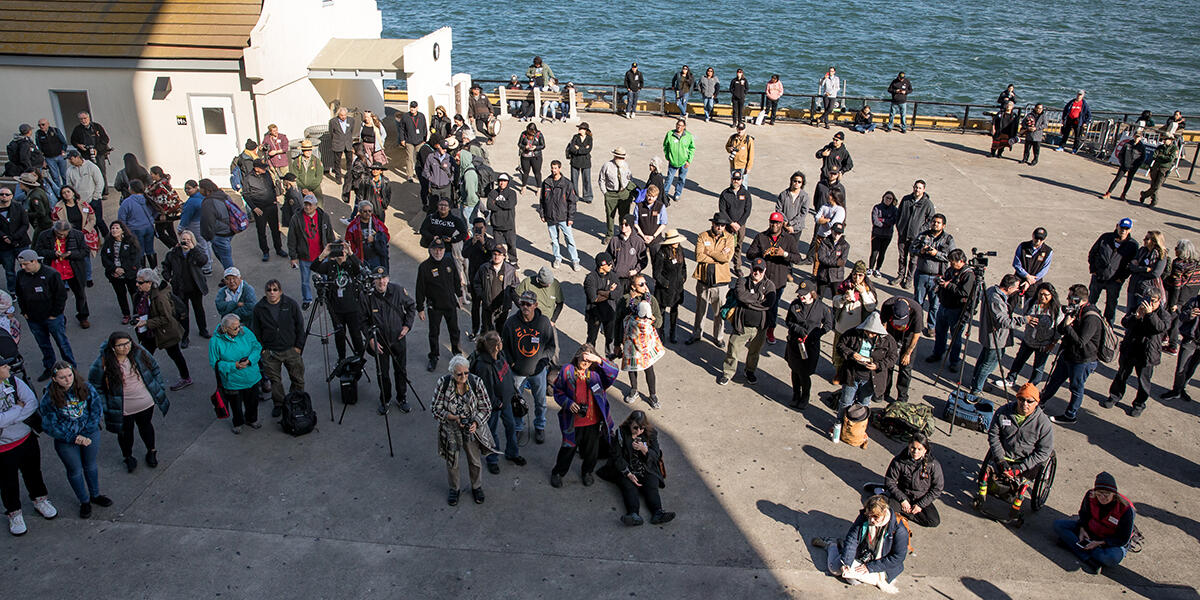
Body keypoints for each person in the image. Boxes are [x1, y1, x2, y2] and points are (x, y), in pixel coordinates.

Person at [38, 361, 111, 519]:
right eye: (62, 377)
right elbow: (49, 424)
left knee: (90, 465)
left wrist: (87, 432)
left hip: (89, 433)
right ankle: (84, 501)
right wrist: (73, 437)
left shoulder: (86, 387)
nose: (67, 379)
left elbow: (96, 409)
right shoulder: (49, 396)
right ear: (54, 379)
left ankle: (95, 495)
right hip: (66, 440)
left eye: (69, 375)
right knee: (75, 470)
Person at [88, 332, 168, 474]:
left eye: (128, 343)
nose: (125, 347)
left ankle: (151, 450)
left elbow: (155, 368)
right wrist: (105, 405)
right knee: (125, 433)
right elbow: (95, 386)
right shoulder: (102, 362)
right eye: (121, 345)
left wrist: (159, 387)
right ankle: (128, 456)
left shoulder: (139, 352)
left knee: (146, 427)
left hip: (145, 402)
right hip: (122, 407)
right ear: (112, 347)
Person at [976, 383, 1053, 520]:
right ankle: (981, 498)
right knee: (987, 474)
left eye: (1030, 401)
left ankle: (1015, 509)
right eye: (1021, 399)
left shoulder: (1043, 423)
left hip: (1026, 461)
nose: (1025, 404)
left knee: (1022, 485)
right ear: (1017, 398)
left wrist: (1021, 468)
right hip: (1004, 456)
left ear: (1037, 402)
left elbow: (1044, 451)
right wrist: (1000, 459)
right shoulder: (1003, 412)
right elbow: (993, 436)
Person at [0, 356, 57, 534]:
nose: (8, 367)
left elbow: (31, 403)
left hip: (26, 438)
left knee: (33, 472)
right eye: (3, 365)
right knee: (8, 482)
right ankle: (14, 513)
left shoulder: (13, 381)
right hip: (4, 449)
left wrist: (8, 419)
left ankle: (40, 500)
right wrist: (17, 409)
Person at [550, 344, 618, 488]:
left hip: (593, 422)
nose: (586, 363)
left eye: (589, 361)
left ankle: (587, 472)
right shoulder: (567, 371)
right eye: (583, 360)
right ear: (577, 357)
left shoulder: (597, 373)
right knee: (568, 449)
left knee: (591, 452)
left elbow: (614, 372)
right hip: (572, 422)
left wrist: (599, 361)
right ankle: (558, 473)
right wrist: (568, 403)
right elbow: (558, 391)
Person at [810, 495, 908, 594]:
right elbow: (852, 539)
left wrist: (870, 567)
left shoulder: (899, 531)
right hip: (862, 553)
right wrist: (846, 562)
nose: (872, 520)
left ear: (884, 512)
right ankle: (832, 545)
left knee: (852, 580)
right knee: (835, 569)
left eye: (875, 517)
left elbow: (897, 557)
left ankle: (839, 547)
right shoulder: (864, 517)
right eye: (869, 516)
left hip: (882, 564)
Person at [432, 355, 496, 506]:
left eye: (466, 373)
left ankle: (476, 486)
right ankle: (454, 488)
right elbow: (434, 408)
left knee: (474, 461)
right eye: (459, 374)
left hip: (470, 429)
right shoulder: (443, 383)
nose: (463, 377)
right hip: (450, 429)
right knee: (452, 461)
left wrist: (476, 422)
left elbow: (486, 407)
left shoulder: (476, 382)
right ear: (452, 373)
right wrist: (451, 417)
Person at [1042, 285, 1104, 425]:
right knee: (1055, 380)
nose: (1067, 300)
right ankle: (1041, 402)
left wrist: (1069, 326)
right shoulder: (1075, 311)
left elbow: (1081, 341)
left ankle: (1071, 415)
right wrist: (1066, 321)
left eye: (1070, 297)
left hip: (1082, 360)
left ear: (1078, 299)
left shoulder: (1091, 317)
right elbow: (1060, 329)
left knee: (1076, 387)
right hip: (1068, 354)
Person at [1053, 472, 1136, 575]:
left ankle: (1074, 545)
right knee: (1058, 525)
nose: (1102, 497)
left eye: (1107, 494)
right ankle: (1087, 557)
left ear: (1114, 494)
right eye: (1099, 493)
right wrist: (1082, 529)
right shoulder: (1090, 496)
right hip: (1091, 531)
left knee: (1111, 558)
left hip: (1111, 541)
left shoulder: (1126, 509)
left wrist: (1100, 542)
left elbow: (1122, 539)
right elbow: (1083, 514)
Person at [833, 312, 898, 441]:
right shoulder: (853, 333)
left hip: (870, 379)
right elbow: (840, 346)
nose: (870, 335)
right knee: (846, 402)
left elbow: (892, 358)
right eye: (868, 332)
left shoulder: (888, 340)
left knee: (864, 404)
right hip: (852, 374)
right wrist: (852, 354)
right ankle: (840, 424)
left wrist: (878, 366)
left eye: (873, 333)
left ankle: (858, 428)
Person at [502, 290, 556, 443]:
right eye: (522, 303)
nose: (525, 306)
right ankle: (518, 428)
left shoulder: (544, 322)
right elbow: (504, 347)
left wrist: (543, 363)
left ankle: (540, 426)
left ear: (535, 305)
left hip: (538, 373)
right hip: (517, 373)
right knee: (516, 403)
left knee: (540, 402)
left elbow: (551, 346)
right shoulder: (511, 323)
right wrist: (512, 363)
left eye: (528, 304)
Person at [1107, 286, 1169, 417]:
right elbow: (1125, 322)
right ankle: (1114, 396)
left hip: (1147, 352)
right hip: (1131, 348)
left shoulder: (1163, 315)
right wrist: (1136, 317)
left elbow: (1159, 328)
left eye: (1153, 300)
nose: (1149, 303)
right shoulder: (1137, 307)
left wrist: (1150, 314)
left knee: (1143, 381)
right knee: (1122, 374)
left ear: (1159, 301)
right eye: (1147, 299)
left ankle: (1139, 404)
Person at [605, 410, 674, 526]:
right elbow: (617, 456)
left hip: (646, 467)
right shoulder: (621, 433)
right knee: (628, 487)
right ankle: (633, 514)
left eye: (641, 428)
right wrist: (628, 473)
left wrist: (644, 450)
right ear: (630, 423)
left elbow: (656, 454)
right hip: (628, 468)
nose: (638, 431)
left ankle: (658, 512)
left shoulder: (651, 433)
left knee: (652, 485)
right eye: (635, 428)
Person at [15, 249, 75, 381]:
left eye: (25, 264)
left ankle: (71, 368)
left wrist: (55, 314)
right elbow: (20, 295)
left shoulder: (51, 274)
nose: (22, 267)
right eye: (21, 264)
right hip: (33, 319)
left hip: (52, 318)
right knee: (44, 345)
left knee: (62, 343)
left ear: (34, 261)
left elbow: (61, 296)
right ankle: (50, 368)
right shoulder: (20, 275)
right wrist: (24, 312)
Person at [470, 331, 524, 474]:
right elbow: (486, 390)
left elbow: (507, 375)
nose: (502, 342)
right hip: (494, 407)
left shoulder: (500, 356)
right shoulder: (484, 366)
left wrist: (513, 390)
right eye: (499, 341)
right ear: (495, 347)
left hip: (506, 402)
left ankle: (512, 453)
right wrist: (497, 403)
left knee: (511, 426)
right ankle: (492, 460)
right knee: (492, 432)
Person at [252, 279, 305, 419]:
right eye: (269, 290)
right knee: (275, 381)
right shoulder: (259, 308)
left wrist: (298, 347)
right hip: (271, 352)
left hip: (291, 349)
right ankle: (279, 404)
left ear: (280, 291)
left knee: (298, 379)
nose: (272, 293)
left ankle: (296, 400)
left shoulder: (291, 304)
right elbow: (256, 331)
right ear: (265, 292)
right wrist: (262, 350)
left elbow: (300, 326)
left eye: (275, 290)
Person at [719, 259, 776, 386]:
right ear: (750, 268)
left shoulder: (770, 285)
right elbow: (741, 296)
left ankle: (750, 371)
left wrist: (750, 302)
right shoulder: (742, 281)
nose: (757, 272)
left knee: (754, 352)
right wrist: (759, 298)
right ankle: (728, 373)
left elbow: (769, 304)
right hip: (742, 325)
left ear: (764, 270)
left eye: (760, 270)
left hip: (760, 328)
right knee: (733, 349)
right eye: (755, 269)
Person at [131, 269, 191, 390]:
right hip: (151, 332)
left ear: (150, 283)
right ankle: (143, 379)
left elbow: (166, 318)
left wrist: (147, 322)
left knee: (175, 354)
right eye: (137, 282)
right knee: (144, 355)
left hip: (165, 332)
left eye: (140, 282)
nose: (137, 284)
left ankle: (186, 378)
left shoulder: (160, 298)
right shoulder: (143, 294)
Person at [747, 212, 801, 344]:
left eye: (777, 223)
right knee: (756, 302)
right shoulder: (761, 237)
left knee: (773, 306)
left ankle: (770, 329)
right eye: (772, 222)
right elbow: (749, 254)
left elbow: (798, 258)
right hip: (761, 279)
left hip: (778, 280)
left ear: (782, 224)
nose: (774, 225)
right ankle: (755, 328)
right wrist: (761, 254)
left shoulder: (788, 239)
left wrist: (784, 254)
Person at [870, 434, 945, 528]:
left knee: (933, 521)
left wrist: (920, 505)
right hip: (902, 494)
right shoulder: (899, 460)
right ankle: (883, 493)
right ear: (909, 446)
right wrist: (903, 500)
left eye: (919, 449)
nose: (915, 452)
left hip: (921, 497)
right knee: (884, 512)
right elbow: (890, 481)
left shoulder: (933, 465)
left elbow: (937, 488)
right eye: (913, 448)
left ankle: (903, 511)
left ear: (925, 450)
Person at [968, 274, 1026, 396]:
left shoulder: (991, 291)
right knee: (989, 364)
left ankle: (977, 383)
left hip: (991, 335)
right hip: (996, 338)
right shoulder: (996, 300)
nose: (1017, 290)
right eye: (1016, 288)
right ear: (1009, 288)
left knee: (983, 360)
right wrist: (1024, 320)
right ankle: (976, 389)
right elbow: (1004, 321)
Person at [207, 314, 262, 433]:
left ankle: (252, 419)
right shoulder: (215, 341)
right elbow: (215, 363)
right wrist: (234, 365)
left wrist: (249, 360)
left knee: (252, 401)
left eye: (239, 326)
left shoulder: (245, 332)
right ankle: (238, 422)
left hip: (251, 376)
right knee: (235, 404)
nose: (239, 329)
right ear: (226, 329)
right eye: (235, 328)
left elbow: (257, 347)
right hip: (232, 381)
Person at [310, 243, 365, 361]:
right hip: (336, 309)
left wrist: (350, 253)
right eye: (337, 249)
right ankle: (342, 358)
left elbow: (361, 269)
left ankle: (360, 358)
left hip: (352, 307)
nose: (340, 253)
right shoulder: (330, 265)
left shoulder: (351, 265)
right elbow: (314, 267)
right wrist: (324, 254)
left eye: (342, 249)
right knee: (339, 335)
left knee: (356, 334)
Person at [416, 239, 464, 373]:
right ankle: (434, 356)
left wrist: (459, 294)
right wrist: (420, 308)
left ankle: (457, 353)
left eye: (441, 249)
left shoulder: (449, 262)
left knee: (454, 330)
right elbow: (420, 289)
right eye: (435, 249)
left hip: (450, 303)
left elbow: (456, 279)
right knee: (434, 333)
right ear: (430, 250)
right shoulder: (424, 267)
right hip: (434, 306)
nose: (438, 252)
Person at [34, 220, 90, 329]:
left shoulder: (78, 235)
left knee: (81, 294)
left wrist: (71, 254)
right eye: (59, 234)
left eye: (64, 234)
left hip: (74, 270)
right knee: (57, 297)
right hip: (55, 271)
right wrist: (53, 254)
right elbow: (39, 250)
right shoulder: (44, 235)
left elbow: (85, 251)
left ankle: (83, 317)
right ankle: (60, 319)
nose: (61, 236)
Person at [785, 280, 832, 409]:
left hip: (811, 345)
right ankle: (796, 394)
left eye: (804, 295)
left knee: (804, 373)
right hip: (795, 343)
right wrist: (797, 329)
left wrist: (819, 333)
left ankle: (805, 397)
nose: (801, 297)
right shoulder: (795, 305)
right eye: (800, 295)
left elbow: (828, 324)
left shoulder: (821, 307)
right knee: (795, 370)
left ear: (812, 294)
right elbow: (788, 321)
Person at [1006, 282, 1063, 387]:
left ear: (1052, 295)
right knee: (1019, 360)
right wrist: (1027, 320)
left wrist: (1053, 344)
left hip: (1043, 344)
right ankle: (1010, 379)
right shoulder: (1031, 303)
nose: (1042, 297)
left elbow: (1059, 330)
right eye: (1040, 294)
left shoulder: (1056, 310)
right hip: (1028, 340)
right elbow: (1024, 315)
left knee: (1038, 368)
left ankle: (1031, 386)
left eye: (1046, 295)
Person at [926, 249, 974, 371]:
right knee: (940, 332)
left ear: (961, 261)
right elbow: (945, 278)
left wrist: (948, 285)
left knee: (955, 337)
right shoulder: (951, 270)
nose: (951, 265)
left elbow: (964, 292)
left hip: (957, 310)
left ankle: (954, 361)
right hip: (944, 306)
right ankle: (937, 353)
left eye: (953, 263)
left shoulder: (968, 275)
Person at [160, 230, 208, 348]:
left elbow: (203, 261)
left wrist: (193, 249)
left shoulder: (196, 251)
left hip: (195, 287)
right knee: (183, 313)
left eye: (188, 239)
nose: (185, 241)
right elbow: (165, 267)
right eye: (184, 239)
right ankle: (184, 336)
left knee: (199, 310)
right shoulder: (173, 253)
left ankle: (203, 329)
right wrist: (169, 278)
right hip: (180, 288)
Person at [1087, 218, 1139, 325]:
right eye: (1122, 227)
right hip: (1098, 277)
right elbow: (1093, 253)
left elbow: (1132, 265)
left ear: (1129, 230)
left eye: (1126, 229)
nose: (1123, 230)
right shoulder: (1105, 237)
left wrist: (1121, 278)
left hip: (1115, 281)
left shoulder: (1132, 245)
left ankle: (1108, 328)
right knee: (1090, 302)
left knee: (1111, 307)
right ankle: (1087, 322)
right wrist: (1093, 270)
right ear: (1117, 226)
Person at [286, 194, 334, 309]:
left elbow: (330, 235)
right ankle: (307, 299)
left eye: (310, 205)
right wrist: (293, 257)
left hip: (321, 256)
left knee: (326, 278)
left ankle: (328, 296)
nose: (307, 207)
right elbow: (291, 238)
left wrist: (332, 253)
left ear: (316, 206)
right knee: (305, 281)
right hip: (305, 257)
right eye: (306, 204)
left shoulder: (324, 217)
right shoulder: (296, 218)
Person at [909, 214, 955, 335]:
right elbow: (912, 249)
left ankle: (931, 327)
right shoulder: (923, 235)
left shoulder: (948, 239)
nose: (935, 224)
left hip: (937, 276)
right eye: (934, 222)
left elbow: (951, 257)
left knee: (935, 304)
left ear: (943, 225)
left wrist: (936, 253)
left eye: (938, 222)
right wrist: (921, 251)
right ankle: (916, 324)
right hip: (922, 275)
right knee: (918, 302)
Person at [831, 262, 878, 377]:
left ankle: (850, 374)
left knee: (853, 353)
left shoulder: (867, 289)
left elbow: (871, 306)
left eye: (860, 275)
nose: (857, 278)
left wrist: (862, 293)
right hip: (842, 326)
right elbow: (835, 302)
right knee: (838, 352)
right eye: (855, 275)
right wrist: (843, 298)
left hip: (857, 328)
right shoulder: (844, 286)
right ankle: (838, 373)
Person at [620, 299, 664, 409]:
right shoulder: (648, 323)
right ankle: (652, 395)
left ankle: (634, 390)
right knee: (649, 371)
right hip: (646, 354)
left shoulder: (629, 320)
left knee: (632, 370)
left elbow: (624, 327)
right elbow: (656, 326)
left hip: (632, 351)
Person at [51, 186, 97, 288]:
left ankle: (88, 278)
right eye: (64, 193)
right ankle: (68, 281)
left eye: (68, 191)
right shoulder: (58, 208)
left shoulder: (83, 204)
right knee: (68, 258)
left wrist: (87, 229)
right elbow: (54, 221)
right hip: (67, 236)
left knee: (85, 257)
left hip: (83, 234)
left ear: (73, 192)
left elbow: (92, 218)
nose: (67, 194)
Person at [880, 295, 923, 403]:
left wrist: (908, 353)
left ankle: (902, 396)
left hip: (909, 337)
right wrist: (885, 344)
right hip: (891, 334)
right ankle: (884, 391)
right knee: (888, 364)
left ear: (909, 310)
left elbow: (916, 335)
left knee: (906, 369)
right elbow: (883, 325)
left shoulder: (917, 310)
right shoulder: (887, 305)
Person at [539, 160, 580, 270]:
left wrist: (570, 217)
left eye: (555, 168)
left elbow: (572, 202)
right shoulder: (546, 182)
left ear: (560, 168)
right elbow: (542, 200)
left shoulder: (567, 183)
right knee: (554, 239)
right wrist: (542, 214)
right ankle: (557, 258)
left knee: (569, 239)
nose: (553, 170)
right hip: (550, 217)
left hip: (563, 217)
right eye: (552, 168)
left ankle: (575, 260)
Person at [894, 181, 934, 289]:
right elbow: (899, 212)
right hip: (903, 233)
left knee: (913, 259)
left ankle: (909, 279)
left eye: (920, 188)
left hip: (916, 237)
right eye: (916, 187)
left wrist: (921, 230)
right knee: (902, 257)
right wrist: (899, 225)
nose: (917, 190)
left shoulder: (927, 204)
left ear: (924, 190)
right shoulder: (906, 199)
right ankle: (900, 275)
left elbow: (931, 220)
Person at [419, 197, 468, 283]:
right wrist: (432, 237)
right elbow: (423, 230)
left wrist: (452, 239)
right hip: (434, 250)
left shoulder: (455, 220)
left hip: (448, 251)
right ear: (437, 206)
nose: (443, 207)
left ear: (449, 208)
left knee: (447, 271)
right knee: (434, 270)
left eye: (445, 205)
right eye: (441, 205)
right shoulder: (431, 218)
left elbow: (464, 233)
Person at [100, 221, 141, 324]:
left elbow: (135, 258)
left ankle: (137, 313)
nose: (114, 230)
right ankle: (126, 314)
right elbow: (104, 258)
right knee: (120, 294)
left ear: (123, 230)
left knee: (134, 294)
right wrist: (114, 269)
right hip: (115, 275)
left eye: (117, 228)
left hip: (130, 274)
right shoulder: (108, 242)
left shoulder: (131, 241)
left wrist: (124, 269)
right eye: (112, 228)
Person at [1164, 239, 1200, 354]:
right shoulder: (1197, 264)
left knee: (1174, 320)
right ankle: (1167, 338)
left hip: (1179, 297)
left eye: (1177, 248)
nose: (1175, 250)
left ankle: (1172, 345)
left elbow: (1177, 285)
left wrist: (1174, 303)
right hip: (1191, 296)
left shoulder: (1179, 264)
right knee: (1180, 319)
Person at [473, 243, 518, 336]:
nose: (496, 257)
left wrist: (511, 300)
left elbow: (515, 286)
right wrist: (482, 296)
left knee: (501, 330)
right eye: (494, 254)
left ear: (504, 256)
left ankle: (499, 349)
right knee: (486, 331)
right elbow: (477, 283)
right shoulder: (484, 268)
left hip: (503, 307)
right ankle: (485, 349)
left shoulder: (510, 270)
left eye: (499, 255)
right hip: (488, 306)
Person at [652, 229, 687, 344]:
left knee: (674, 310)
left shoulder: (680, 250)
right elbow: (656, 273)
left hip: (677, 288)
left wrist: (683, 277)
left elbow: (684, 267)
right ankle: (660, 333)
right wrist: (666, 284)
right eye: (674, 241)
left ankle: (673, 332)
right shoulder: (661, 253)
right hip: (665, 289)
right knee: (661, 311)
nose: (677, 243)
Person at [584, 253, 621, 356]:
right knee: (591, 338)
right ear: (602, 265)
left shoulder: (612, 275)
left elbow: (619, 292)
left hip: (609, 312)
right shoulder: (591, 278)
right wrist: (610, 293)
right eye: (609, 264)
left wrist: (602, 293)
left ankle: (610, 356)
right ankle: (589, 357)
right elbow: (593, 298)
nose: (611, 266)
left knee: (610, 337)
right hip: (594, 314)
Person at [718, 171, 752, 276]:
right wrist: (731, 223)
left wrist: (739, 224)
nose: (736, 181)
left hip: (740, 225)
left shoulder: (746, 194)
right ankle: (723, 265)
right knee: (725, 245)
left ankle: (737, 266)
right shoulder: (725, 194)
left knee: (738, 245)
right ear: (731, 179)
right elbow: (722, 210)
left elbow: (748, 210)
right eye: (734, 179)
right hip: (728, 225)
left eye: (738, 179)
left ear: (741, 180)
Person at [198, 179, 236, 271]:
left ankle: (231, 277)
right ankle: (229, 275)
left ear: (206, 189)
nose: (199, 190)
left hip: (220, 233)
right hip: (230, 230)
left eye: (200, 188)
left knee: (225, 257)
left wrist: (207, 236)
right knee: (223, 254)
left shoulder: (208, 202)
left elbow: (207, 221)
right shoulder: (224, 195)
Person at [117, 179, 156, 267]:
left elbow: (121, 218)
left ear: (131, 189)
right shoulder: (147, 199)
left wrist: (124, 231)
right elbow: (155, 211)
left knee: (139, 250)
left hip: (135, 229)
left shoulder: (127, 202)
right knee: (150, 249)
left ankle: (142, 269)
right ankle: (154, 269)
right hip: (149, 227)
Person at [598, 147, 636, 238]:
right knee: (610, 216)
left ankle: (622, 233)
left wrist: (628, 190)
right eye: (619, 157)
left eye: (622, 157)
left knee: (624, 216)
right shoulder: (607, 165)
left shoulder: (626, 165)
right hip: (611, 194)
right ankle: (610, 234)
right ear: (615, 156)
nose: (621, 159)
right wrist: (605, 193)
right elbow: (601, 180)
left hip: (624, 193)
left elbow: (630, 177)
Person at [69, 111, 111, 193]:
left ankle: (104, 191)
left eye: (85, 118)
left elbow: (105, 139)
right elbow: (73, 141)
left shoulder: (96, 127)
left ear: (89, 118)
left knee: (101, 172)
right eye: (81, 119)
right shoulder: (77, 129)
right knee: (89, 173)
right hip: (86, 155)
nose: (83, 121)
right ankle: (93, 191)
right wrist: (79, 145)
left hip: (99, 154)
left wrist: (97, 149)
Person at [175, 180, 211, 275]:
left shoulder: (192, 202)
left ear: (196, 188)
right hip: (204, 222)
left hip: (195, 225)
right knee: (206, 244)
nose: (187, 191)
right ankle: (208, 263)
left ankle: (206, 267)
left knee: (200, 245)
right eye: (185, 189)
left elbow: (186, 217)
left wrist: (180, 229)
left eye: (189, 188)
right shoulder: (201, 196)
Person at [1099, 130, 1147, 201]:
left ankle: (1123, 194)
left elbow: (1142, 158)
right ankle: (1108, 193)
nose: (1137, 138)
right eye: (1136, 136)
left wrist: (1136, 166)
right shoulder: (1127, 144)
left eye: (1138, 137)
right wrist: (1122, 162)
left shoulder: (1142, 147)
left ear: (1141, 138)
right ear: (1133, 136)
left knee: (1129, 181)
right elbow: (1120, 154)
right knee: (1117, 179)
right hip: (1124, 165)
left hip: (1133, 167)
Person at [0, 187, 30, 298]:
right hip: (4, 246)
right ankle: (13, 291)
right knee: (9, 270)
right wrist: (3, 236)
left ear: (12, 196)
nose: (4, 196)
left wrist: (14, 237)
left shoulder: (18, 207)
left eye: (7, 194)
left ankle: (29, 288)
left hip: (21, 243)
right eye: (2, 194)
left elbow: (25, 224)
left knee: (28, 266)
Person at [606, 215, 648, 291]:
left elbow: (644, 260)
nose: (623, 226)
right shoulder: (615, 240)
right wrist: (613, 269)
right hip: (617, 277)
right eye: (621, 224)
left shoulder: (638, 241)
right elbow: (608, 256)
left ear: (631, 226)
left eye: (626, 224)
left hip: (631, 278)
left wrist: (636, 270)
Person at [64, 150, 105, 230]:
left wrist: (95, 198)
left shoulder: (91, 167)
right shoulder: (69, 171)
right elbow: (69, 186)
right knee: (88, 222)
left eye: (71, 159)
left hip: (93, 200)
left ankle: (107, 237)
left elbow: (100, 183)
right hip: (81, 203)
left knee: (99, 221)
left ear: (78, 157)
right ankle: (95, 240)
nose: (70, 161)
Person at [1138, 135, 1178, 207]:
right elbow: (1154, 156)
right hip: (1156, 167)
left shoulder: (1174, 148)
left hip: (1164, 169)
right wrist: (1162, 157)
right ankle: (1153, 201)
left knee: (1157, 186)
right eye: (1164, 139)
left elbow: (1171, 159)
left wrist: (1161, 156)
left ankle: (1144, 194)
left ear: (1171, 140)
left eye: (1166, 139)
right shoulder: (1160, 147)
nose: (1164, 140)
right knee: (1153, 184)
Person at [662, 119, 695, 204]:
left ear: (684, 127)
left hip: (684, 162)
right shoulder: (670, 134)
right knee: (669, 178)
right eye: (677, 125)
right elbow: (665, 146)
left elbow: (692, 149)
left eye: (681, 125)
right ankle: (665, 194)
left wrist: (689, 161)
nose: (678, 127)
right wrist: (667, 156)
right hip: (672, 162)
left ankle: (677, 193)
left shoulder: (688, 136)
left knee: (681, 179)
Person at [814, 222, 849, 299]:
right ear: (832, 231)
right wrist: (836, 262)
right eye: (835, 232)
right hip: (823, 274)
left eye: (839, 233)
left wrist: (829, 260)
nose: (837, 235)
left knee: (837, 298)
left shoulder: (845, 245)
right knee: (818, 297)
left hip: (836, 276)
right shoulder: (824, 242)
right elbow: (821, 258)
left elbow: (842, 262)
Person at [868, 191, 899, 279]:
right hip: (876, 234)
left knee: (882, 252)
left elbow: (893, 221)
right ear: (883, 198)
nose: (888, 200)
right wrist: (885, 223)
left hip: (887, 235)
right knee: (874, 252)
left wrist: (882, 220)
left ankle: (878, 269)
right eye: (887, 198)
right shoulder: (877, 207)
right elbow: (875, 221)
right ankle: (870, 268)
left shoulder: (894, 210)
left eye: (890, 198)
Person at [397, 101, 428, 183]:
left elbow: (425, 128)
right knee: (409, 158)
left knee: (419, 158)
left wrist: (425, 139)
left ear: (417, 108)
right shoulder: (405, 116)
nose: (412, 109)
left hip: (420, 141)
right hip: (409, 141)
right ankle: (409, 175)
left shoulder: (421, 116)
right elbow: (401, 128)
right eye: (411, 107)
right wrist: (402, 139)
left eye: (414, 107)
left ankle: (419, 174)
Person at [775, 171, 810, 242]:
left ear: (802, 183)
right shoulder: (783, 194)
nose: (797, 183)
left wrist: (791, 224)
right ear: (791, 181)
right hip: (783, 227)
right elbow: (778, 210)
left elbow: (803, 213)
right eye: (795, 181)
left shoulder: (804, 196)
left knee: (792, 250)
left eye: (799, 182)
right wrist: (785, 223)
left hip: (796, 228)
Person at [327, 107, 357, 184]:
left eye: (344, 115)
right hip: (337, 144)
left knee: (349, 161)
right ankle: (338, 177)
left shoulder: (351, 120)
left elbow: (351, 131)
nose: (343, 117)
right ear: (338, 115)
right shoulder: (333, 121)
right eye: (341, 115)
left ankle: (349, 177)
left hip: (348, 144)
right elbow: (331, 133)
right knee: (337, 162)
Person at [565, 122, 593, 204]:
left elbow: (588, 150)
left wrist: (578, 149)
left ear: (585, 130)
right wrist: (582, 149)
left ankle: (588, 197)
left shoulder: (589, 138)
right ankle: (574, 196)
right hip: (575, 161)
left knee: (587, 179)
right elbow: (572, 148)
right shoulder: (575, 137)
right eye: (579, 128)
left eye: (581, 129)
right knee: (574, 180)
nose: (579, 130)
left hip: (585, 161)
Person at [516, 123, 545, 193]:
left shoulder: (539, 134)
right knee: (525, 172)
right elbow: (519, 144)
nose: (531, 135)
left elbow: (543, 145)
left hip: (536, 156)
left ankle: (539, 187)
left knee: (537, 172)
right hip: (525, 156)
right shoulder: (523, 134)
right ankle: (523, 186)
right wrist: (524, 147)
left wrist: (536, 147)